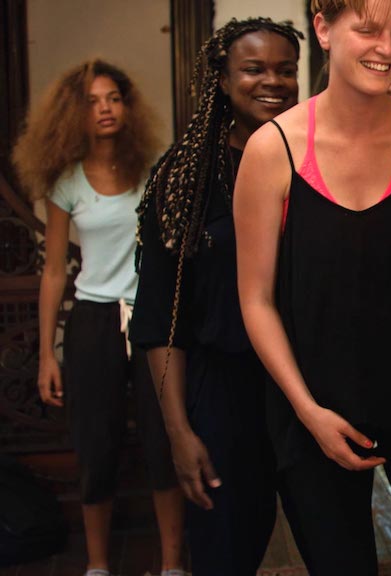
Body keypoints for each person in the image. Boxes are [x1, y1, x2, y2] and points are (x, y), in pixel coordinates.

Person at [233, 0, 391, 573]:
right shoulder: (273, 150)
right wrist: (307, 411)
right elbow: (256, 300)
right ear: (323, 28)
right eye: (367, 30)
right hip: (312, 413)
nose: (386, 49)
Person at [131, 18, 303, 574]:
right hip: (224, 394)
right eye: (253, 69)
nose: (272, 81)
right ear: (223, 81)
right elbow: (160, 320)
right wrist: (179, 432)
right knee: (226, 555)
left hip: (309, 390)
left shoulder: (317, 166)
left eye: (285, 70)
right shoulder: (185, 177)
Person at [12, 59, 184, 576]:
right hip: (93, 320)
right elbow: (53, 272)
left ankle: (172, 565)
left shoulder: (152, 170)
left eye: (113, 98)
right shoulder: (66, 182)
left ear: (126, 107)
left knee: (164, 442)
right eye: (91, 102)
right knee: (95, 445)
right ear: (74, 114)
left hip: (151, 318)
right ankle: (98, 565)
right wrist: (48, 355)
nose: (105, 109)